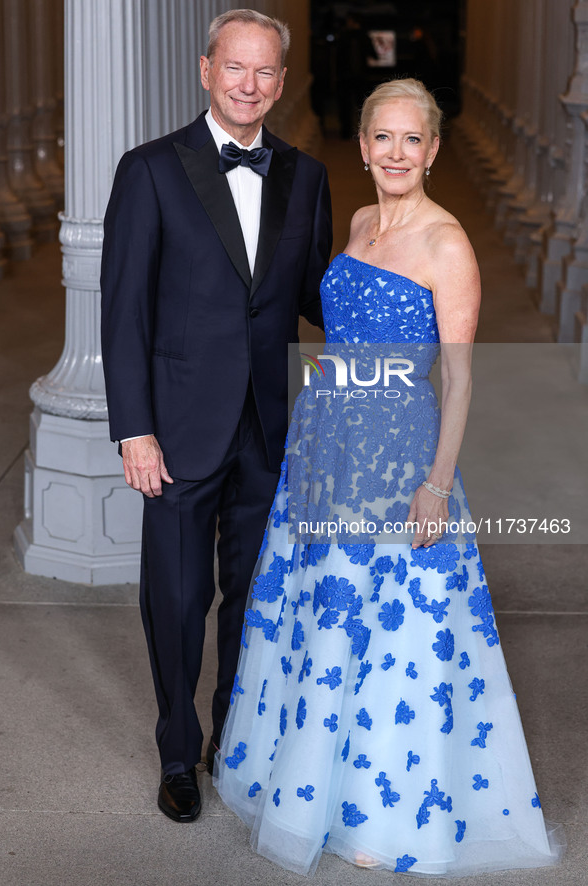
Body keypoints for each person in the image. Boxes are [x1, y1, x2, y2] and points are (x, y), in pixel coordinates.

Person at [214, 79, 564, 876]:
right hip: (326, 444)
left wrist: (435, 484)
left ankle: (381, 813)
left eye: (412, 140)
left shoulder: (447, 244)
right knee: (318, 608)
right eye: (382, 138)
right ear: (363, 144)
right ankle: (312, 790)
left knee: (388, 630)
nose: (396, 153)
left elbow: (461, 379)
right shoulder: (362, 220)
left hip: (398, 456)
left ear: (433, 150)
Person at [100, 9, 332, 824]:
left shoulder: (305, 175)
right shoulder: (150, 170)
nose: (250, 85)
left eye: (265, 72)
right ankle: (175, 746)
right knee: (176, 592)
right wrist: (133, 427)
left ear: (279, 80)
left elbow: (313, 298)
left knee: (251, 594)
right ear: (206, 71)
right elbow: (122, 310)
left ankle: (230, 730)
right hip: (174, 427)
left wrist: (393, 277)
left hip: (270, 426)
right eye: (235, 68)